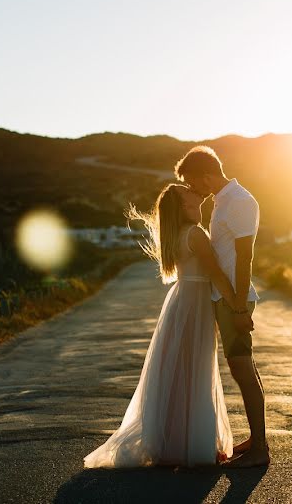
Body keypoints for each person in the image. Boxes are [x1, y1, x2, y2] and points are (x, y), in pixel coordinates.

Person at [83, 184, 235, 468]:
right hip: (194, 304)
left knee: (179, 372)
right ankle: (192, 445)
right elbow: (215, 274)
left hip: (182, 300)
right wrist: (238, 307)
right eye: (188, 191)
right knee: (195, 370)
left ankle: (175, 443)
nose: (195, 190)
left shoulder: (178, 233)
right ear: (183, 203)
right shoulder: (195, 234)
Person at [174, 146, 270, 468]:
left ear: (206, 175)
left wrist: (240, 307)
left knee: (243, 369)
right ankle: (257, 442)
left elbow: (246, 258)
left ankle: (260, 452)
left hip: (235, 301)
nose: (191, 188)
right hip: (225, 299)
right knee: (244, 368)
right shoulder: (221, 201)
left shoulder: (240, 201)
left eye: (192, 181)